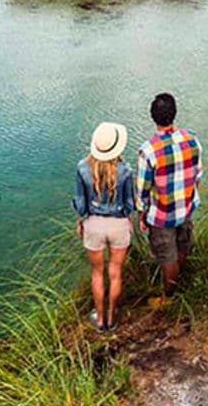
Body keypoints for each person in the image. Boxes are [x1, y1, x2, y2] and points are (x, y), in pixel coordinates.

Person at [135, 93, 202, 305]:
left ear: (153, 117)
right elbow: (197, 175)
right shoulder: (192, 141)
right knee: (182, 246)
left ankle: (170, 298)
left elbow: (143, 190)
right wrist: (188, 198)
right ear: (174, 113)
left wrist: (142, 214)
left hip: (162, 215)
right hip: (186, 207)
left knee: (167, 257)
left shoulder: (148, 151)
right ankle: (180, 284)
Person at [74, 121, 136, 331]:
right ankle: (112, 317)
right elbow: (130, 204)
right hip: (118, 225)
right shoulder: (125, 169)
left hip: (94, 226)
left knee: (97, 273)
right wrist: (129, 220)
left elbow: (81, 204)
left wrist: (81, 221)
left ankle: (100, 320)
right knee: (115, 272)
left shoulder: (82, 168)